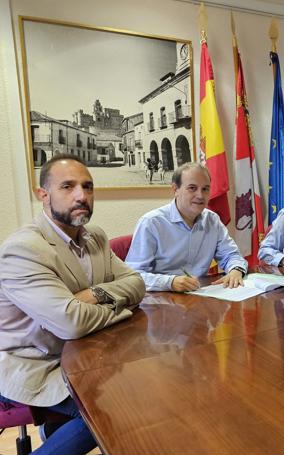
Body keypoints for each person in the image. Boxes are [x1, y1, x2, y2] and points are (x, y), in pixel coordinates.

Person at [0, 154, 145, 454]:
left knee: (144, 386)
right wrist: (122, 305)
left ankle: (54, 432)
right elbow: (72, 323)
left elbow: (137, 284)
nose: (82, 195)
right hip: (38, 362)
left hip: (89, 354)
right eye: (67, 186)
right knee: (114, 411)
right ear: (43, 195)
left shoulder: (95, 237)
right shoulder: (22, 250)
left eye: (87, 186)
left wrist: (96, 294)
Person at [126, 162, 247, 292]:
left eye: (205, 189)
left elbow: (231, 255)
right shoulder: (152, 223)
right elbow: (133, 276)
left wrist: (236, 270)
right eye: (192, 188)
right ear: (175, 190)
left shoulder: (212, 220)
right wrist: (170, 282)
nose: (200, 196)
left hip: (201, 296)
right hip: (160, 300)